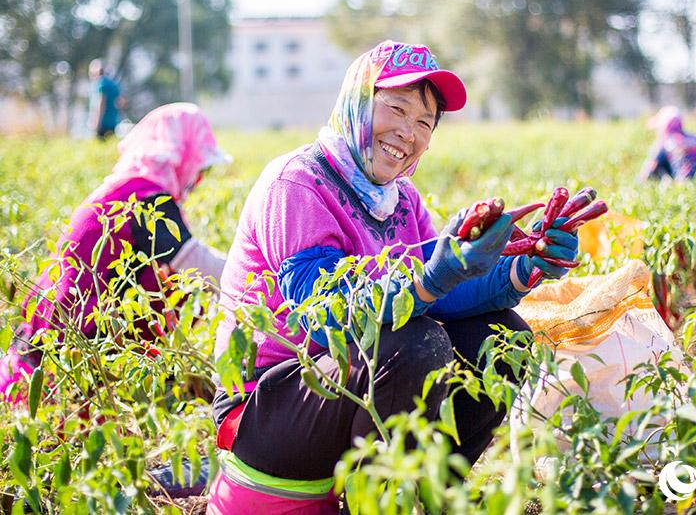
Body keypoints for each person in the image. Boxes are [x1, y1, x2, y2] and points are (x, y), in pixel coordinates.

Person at [207, 40, 581, 513]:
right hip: (265, 410)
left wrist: (525, 269)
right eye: (397, 108)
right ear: (358, 101)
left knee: (501, 336)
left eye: (425, 123)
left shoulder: (401, 199)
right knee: (411, 343)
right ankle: (376, 505)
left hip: (336, 392)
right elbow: (322, 317)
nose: (409, 132)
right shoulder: (297, 183)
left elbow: (447, 290)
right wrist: (430, 278)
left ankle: (430, 497)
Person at [0, 103, 230, 402]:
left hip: (59, 323)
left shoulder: (129, 188)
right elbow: (195, 262)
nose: (199, 179)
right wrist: (256, 276)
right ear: (180, 155)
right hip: (77, 335)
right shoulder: (146, 198)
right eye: (200, 166)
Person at [638, 106, 696, 182]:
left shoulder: (663, 144)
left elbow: (646, 173)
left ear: (663, 127)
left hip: (682, 185)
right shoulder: (695, 139)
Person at [88, 59, 124, 140]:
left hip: (102, 123)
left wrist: (97, 121)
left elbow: (101, 103)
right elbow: (121, 102)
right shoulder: (113, 84)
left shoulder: (101, 83)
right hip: (113, 121)